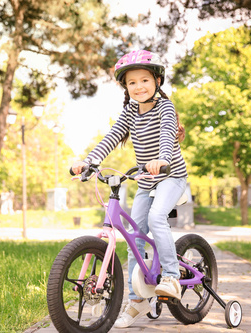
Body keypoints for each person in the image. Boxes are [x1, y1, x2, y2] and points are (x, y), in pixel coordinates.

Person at [70, 50, 188, 328]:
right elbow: (111, 137)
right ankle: (137, 301)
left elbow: (167, 133)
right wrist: (88, 162)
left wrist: (163, 159)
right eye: (132, 82)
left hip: (171, 176)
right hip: (146, 182)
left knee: (157, 218)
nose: (139, 87)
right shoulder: (129, 112)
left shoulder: (165, 108)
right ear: (126, 87)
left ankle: (171, 277)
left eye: (144, 80)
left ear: (157, 81)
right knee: (134, 237)